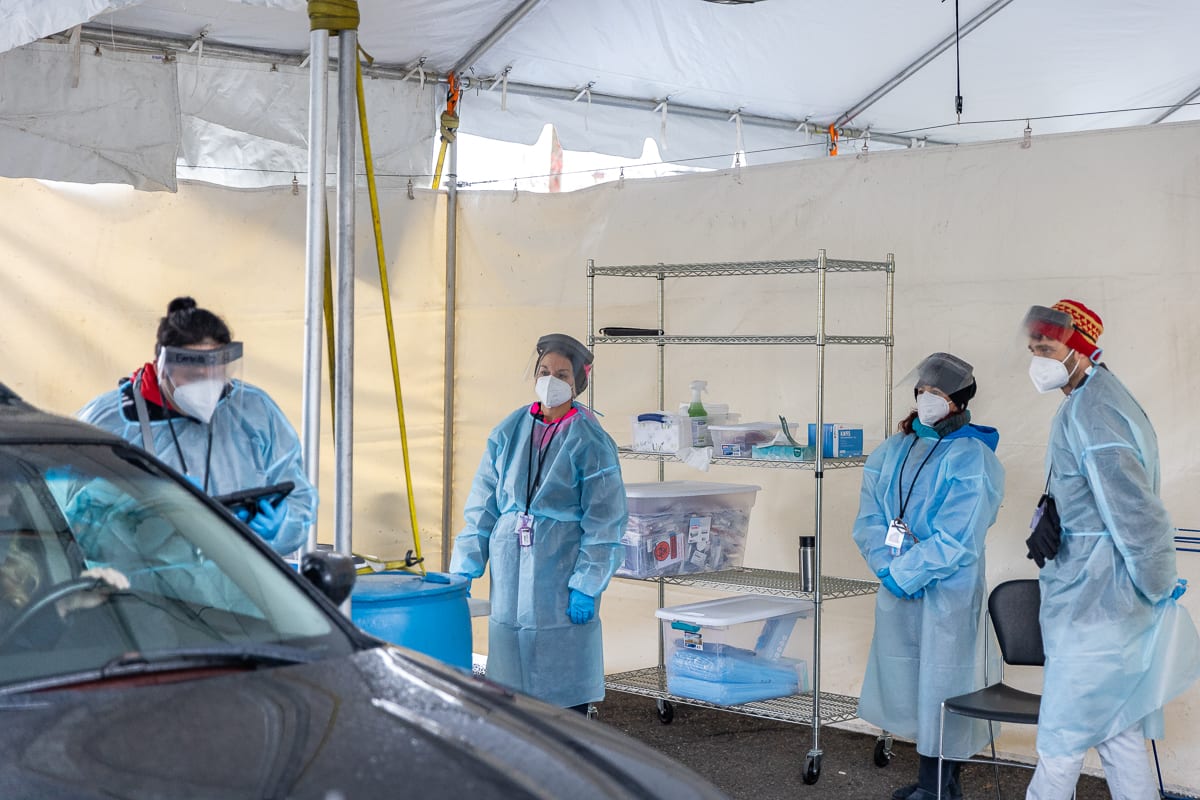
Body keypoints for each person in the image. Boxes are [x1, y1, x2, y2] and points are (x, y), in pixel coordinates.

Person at [1021, 300, 1198, 800]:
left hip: (1095, 603)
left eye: (1047, 345)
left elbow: (1134, 510)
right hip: (1101, 599)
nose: (1037, 354)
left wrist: (1158, 581)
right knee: (1119, 732)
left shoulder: (1095, 410)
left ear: (1079, 347)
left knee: (1060, 740)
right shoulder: (1087, 401)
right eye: (1033, 344)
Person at [852, 352, 1005, 800]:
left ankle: (937, 785)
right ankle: (938, 784)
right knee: (908, 682)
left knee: (945, 684)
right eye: (923, 392)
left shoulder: (972, 458)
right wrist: (889, 568)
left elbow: (958, 537)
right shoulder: (893, 450)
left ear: (956, 402)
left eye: (937, 394)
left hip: (947, 593)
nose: (927, 401)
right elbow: (869, 519)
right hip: (897, 586)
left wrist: (909, 571)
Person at [450, 333, 627, 713]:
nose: (551, 380)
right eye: (544, 371)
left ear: (579, 381)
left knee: (560, 676)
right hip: (510, 565)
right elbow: (483, 503)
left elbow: (605, 519)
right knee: (509, 670)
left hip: (560, 571)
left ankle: (572, 744)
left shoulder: (590, 439)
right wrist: (463, 571)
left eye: (562, 374)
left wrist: (587, 584)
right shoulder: (510, 429)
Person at [76, 297, 317, 556]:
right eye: (192, 375)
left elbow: (299, 498)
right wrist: (134, 514)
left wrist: (281, 526)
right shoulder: (111, 421)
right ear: (161, 366)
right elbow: (70, 521)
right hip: (143, 590)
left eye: (216, 374)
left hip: (240, 585)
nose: (207, 386)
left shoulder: (253, 412)